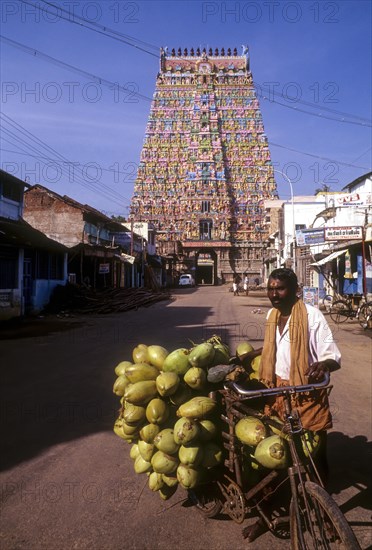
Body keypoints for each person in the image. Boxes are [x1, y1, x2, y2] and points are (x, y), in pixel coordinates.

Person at [241, 268, 341, 542]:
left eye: (280, 289)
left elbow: (331, 354)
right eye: (271, 288)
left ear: (296, 290)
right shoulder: (272, 316)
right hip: (276, 395)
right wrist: (253, 353)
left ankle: (327, 515)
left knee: (315, 459)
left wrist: (323, 365)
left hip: (306, 395)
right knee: (270, 461)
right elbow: (276, 347)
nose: (274, 294)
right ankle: (267, 515)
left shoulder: (312, 316)